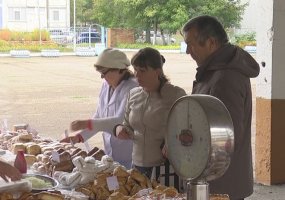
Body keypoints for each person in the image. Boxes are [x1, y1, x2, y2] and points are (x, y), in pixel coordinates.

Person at [182, 15, 260, 200]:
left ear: (211, 42)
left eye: (191, 44)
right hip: (215, 178)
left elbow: (227, 138)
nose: (187, 51)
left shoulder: (225, 77)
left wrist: (187, 138)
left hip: (222, 182)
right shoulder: (214, 71)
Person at [114, 47, 186, 178]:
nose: (137, 75)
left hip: (165, 168)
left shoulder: (176, 94)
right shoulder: (133, 94)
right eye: (135, 69)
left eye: (142, 70)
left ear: (157, 71)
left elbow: (187, 129)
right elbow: (126, 124)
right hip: (136, 165)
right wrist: (120, 129)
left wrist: (172, 143)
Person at [60, 48, 138, 169]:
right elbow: (99, 116)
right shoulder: (106, 85)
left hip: (130, 156)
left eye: (104, 72)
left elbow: (120, 121)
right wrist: (79, 137)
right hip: (110, 155)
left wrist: (87, 123)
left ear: (119, 69)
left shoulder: (132, 87)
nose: (102, 76)